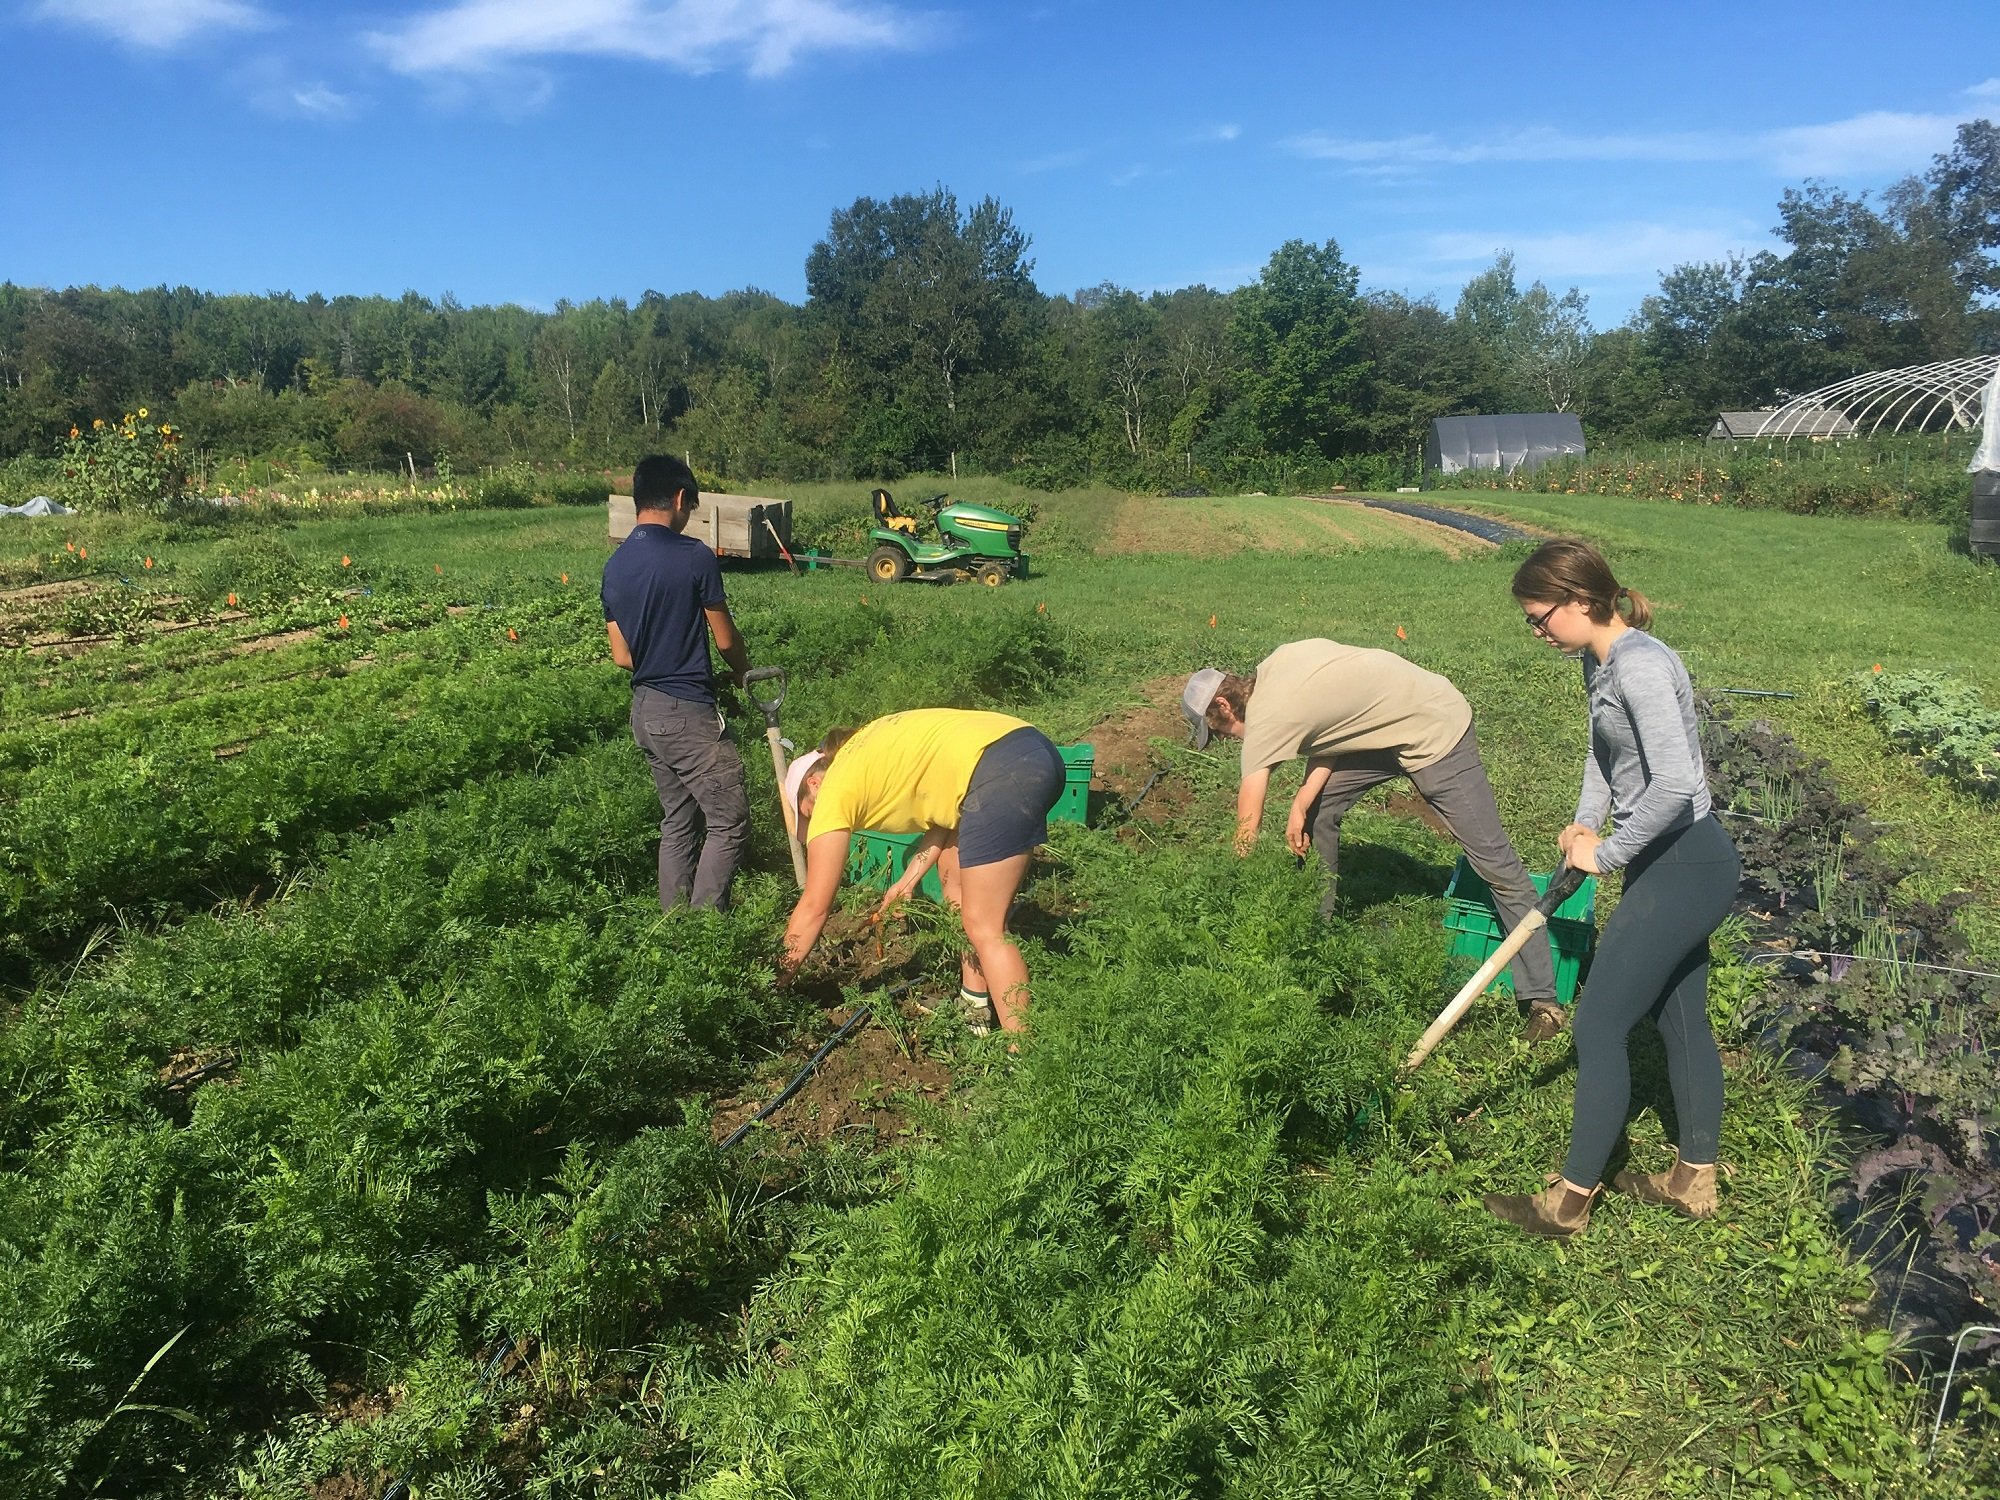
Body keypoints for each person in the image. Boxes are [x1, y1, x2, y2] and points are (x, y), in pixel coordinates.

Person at [1483, 539, 1741, 1238]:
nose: (1536, 632)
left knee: (1598, 1025)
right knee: (1679, 1015)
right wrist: (1585, 822)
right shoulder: (1599, 664)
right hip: (1666, 860)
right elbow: (1606, 756)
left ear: (1580, 600)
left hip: (1687, 862)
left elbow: (1678, 785)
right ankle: (1693, 1181)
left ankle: (1568, 1203)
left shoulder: (1642, 667)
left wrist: (1610, 854)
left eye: (1540, 618)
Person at [1182, 642, 1563, 1038]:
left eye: (1221, 732)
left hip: (1434, 728)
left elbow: (1248, 824)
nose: (1228, 741)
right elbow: (1336, 729)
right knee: (1316, 816)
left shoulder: (1267, 719)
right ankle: (1312, 940)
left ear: (1225, 705)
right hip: (1386, 727)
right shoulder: (1276, 668)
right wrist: (1304, 799)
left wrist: (1227, 894)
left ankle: (1543, 1003)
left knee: (1495, 863)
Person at [778, 709, 1065, 1035]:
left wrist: (775, 981)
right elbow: (945, 820)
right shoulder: (864, 753)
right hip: (1029, 747)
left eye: (808, 813)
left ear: (814, 784)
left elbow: (815, 907)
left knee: (985, 926)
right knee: (953, 877)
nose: (816, 823)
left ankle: (1024, 1059)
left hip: (1000, 771)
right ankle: (974, 1004)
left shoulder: (833, 792)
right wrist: (906, 882)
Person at [601, 454, 753, 912]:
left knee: (679, 819)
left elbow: (622, 656)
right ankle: (707, 929)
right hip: (685, 712)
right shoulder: (693, 556)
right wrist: (742, 672)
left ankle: (674, 926)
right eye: (692, 508)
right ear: (681, 498)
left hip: (645, 712)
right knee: (729, 818)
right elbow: (724, 638)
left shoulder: (615, 565)